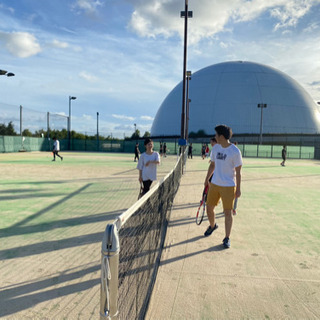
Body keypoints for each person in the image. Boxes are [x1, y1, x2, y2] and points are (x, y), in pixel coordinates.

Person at [204, 125, 242, 249]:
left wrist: (239, 189)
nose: (214, 137)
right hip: (214, 184)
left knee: (227, 213)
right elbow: (212, 165)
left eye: (216, 135)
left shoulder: (235, 151)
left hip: (229, 186)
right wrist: (206, 179)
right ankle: (213, 225)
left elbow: (238, 172)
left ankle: (227, 238)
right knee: (209, 209)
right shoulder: (215, 149)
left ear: (221, 136)